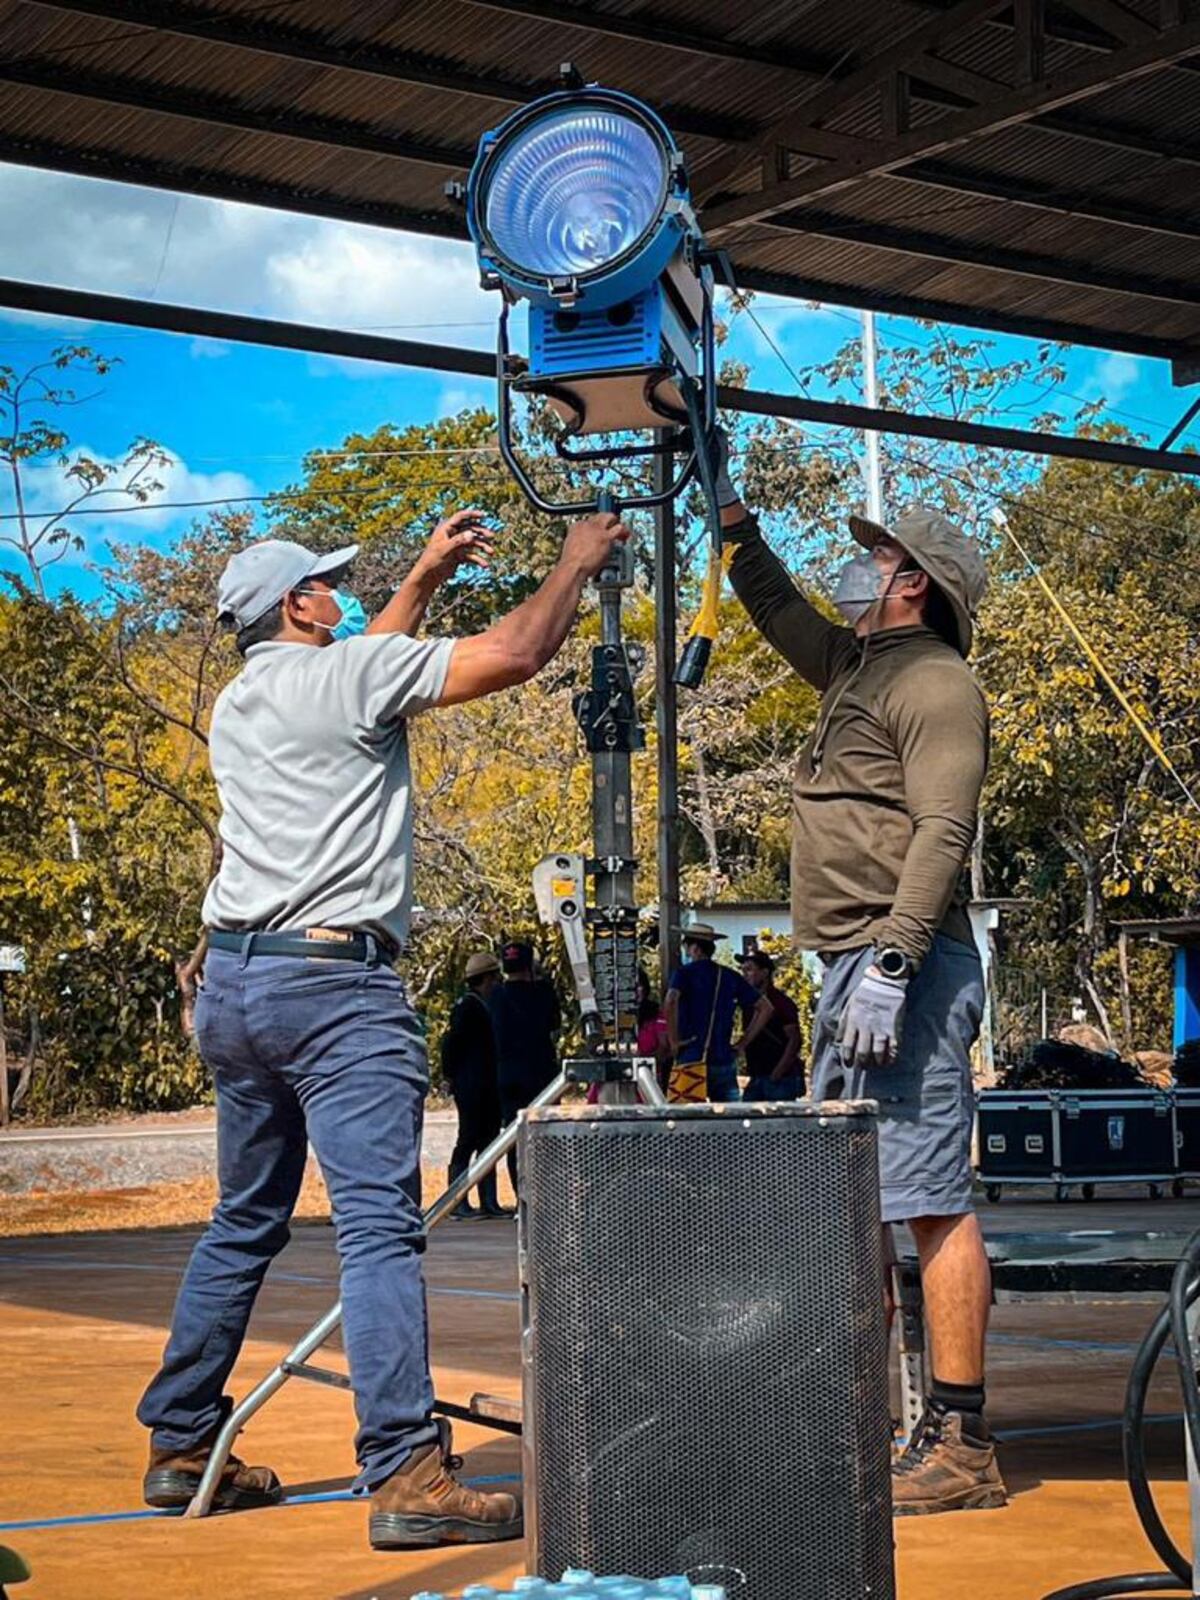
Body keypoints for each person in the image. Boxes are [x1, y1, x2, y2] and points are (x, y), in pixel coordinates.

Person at [136, 503, 631, 1551]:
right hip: (334, 986)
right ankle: (407, 1469)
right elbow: (518, 651)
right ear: (299, 606)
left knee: (244, 1218)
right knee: (376, 1229)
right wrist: (575, 561)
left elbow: (360, 662)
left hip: (237, 982)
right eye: (325, 583)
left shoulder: (242, 699)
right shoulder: (345, 675)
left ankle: (181, 1439)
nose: (339, 592)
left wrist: (423, 576)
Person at [714, 430, 1002, 1515]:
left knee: (928, 1199)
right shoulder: (858, 666)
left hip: (902, 968)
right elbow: (776, 605)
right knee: (858, 1205)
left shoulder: (933, 681)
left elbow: (942, 827)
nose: (859, 564)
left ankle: (963, 1439)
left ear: (911, 582)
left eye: (875, 554)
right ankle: (873, 1419)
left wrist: (892, 956)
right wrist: (732, 515)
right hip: (851, 965)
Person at [663, 924, 773, 1102]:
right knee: (729, 1121)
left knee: (687, 1121)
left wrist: (673, 1040)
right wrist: (742, 1044)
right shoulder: (728, 975)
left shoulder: (683, 974)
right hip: (723, 1057)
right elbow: (765, 1007)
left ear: (695, 948)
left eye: (686, 946)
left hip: (691, 1055)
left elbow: (670, 1000)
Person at [441, 951, 509, 1220]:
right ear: (486, 979)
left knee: (489, 1142)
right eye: (494, 977)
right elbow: (450, 1044)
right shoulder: (467, 1008)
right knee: (468, 1140)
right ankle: (457, 1200)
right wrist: (450, 1076)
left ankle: (488, 1200)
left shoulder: (487, 1006)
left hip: (489, 1085)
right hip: (471, 1086)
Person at [489, 940, 560, 1193]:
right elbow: (554, 1023)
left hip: (508, 1075)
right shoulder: (543, 992)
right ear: (530, 965)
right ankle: (547, 1193)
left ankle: (522, 1196)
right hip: (541, 1073)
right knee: (546, 1135)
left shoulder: (496, 995)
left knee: (514, 1136)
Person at [739, 950, 804, 1101]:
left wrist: (778, 1072)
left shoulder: (781, 1002)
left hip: (779, 1079)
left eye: (749, 969)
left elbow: (794, 1039)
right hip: (757, 1076)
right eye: (743, 970)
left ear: (764, 972)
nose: (745, 975)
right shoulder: (748, 1003)